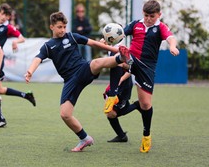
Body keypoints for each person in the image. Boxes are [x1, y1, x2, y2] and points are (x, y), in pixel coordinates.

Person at [24, 11, 133, 152]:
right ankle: (84, 138)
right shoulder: (48, 46)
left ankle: (120, 58)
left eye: (64, 26)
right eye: (59, 27)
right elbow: (38, 58)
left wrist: (115, 50)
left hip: (83, 70)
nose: (62, 30)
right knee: (65, 114)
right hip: (70, 81)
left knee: (95, 63)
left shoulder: (72, 37)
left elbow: (93, 43)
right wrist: (30, 71)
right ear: (51, 27)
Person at [117, 0, 180, 153]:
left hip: (147, 67)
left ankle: (146, 135)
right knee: (118, 58)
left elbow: (171, 38)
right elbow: (120, 34)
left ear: (159, 15)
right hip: (132, 59)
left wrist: (172, 46)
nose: (148, 19)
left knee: (145, 105)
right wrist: (107, 39)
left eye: (152, 16)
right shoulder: (136, 24)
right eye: (146, 15)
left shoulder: (161, 28)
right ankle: (113, 90)